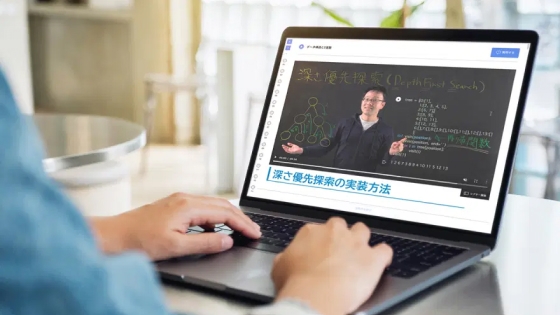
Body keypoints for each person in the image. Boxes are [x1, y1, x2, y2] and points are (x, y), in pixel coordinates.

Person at [0, 66, 393, 315]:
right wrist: (311, 300)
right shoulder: (345, 123)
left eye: (377, 99)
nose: (369, 102)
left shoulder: (388, 133)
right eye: (367, 96)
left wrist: (110, 231)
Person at [282, 86, 406, 173]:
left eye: (374, 100)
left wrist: (390, 154)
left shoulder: (386, 130)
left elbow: (383, 163)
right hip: (338, 178)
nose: (369, 103)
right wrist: (301, 150)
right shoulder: (345, 123)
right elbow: (326, 146)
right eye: (366, 99)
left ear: (382, 104)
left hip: (364, 182)